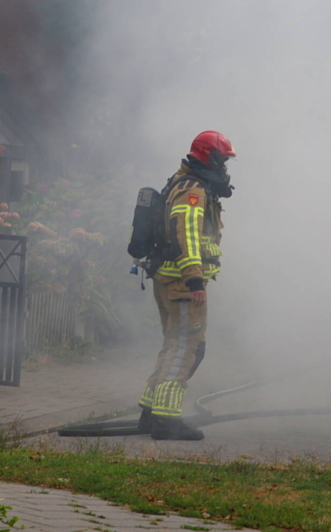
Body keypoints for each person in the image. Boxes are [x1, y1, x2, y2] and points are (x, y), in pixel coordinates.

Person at [138, 131, 236, 440]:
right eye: (224, 160)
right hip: (182, 283)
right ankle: (167, 421)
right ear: (213, 158)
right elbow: (187, 234)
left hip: (171, 278)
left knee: (174, 345)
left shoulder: (184, 183)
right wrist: (195, 278)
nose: (226, 168)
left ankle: (150, 413)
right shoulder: (193, 189)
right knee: (186, 348)